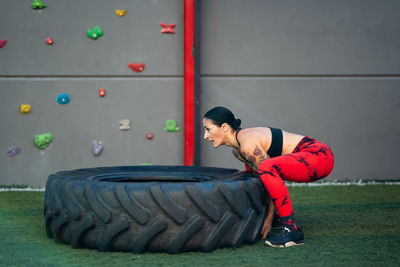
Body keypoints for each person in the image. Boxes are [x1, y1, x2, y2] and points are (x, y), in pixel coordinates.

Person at [202, 106, 334, 248]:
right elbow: (262, 181)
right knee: (255, 175)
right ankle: (278, 220)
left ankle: (292, 231)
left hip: (319, 157)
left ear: (225, 127)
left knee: (265, 168)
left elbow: (270, 174)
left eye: (208, 129)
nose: (205, 136)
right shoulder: (238, 151)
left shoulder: (248, 146)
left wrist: (269, 218)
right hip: (312, 158)